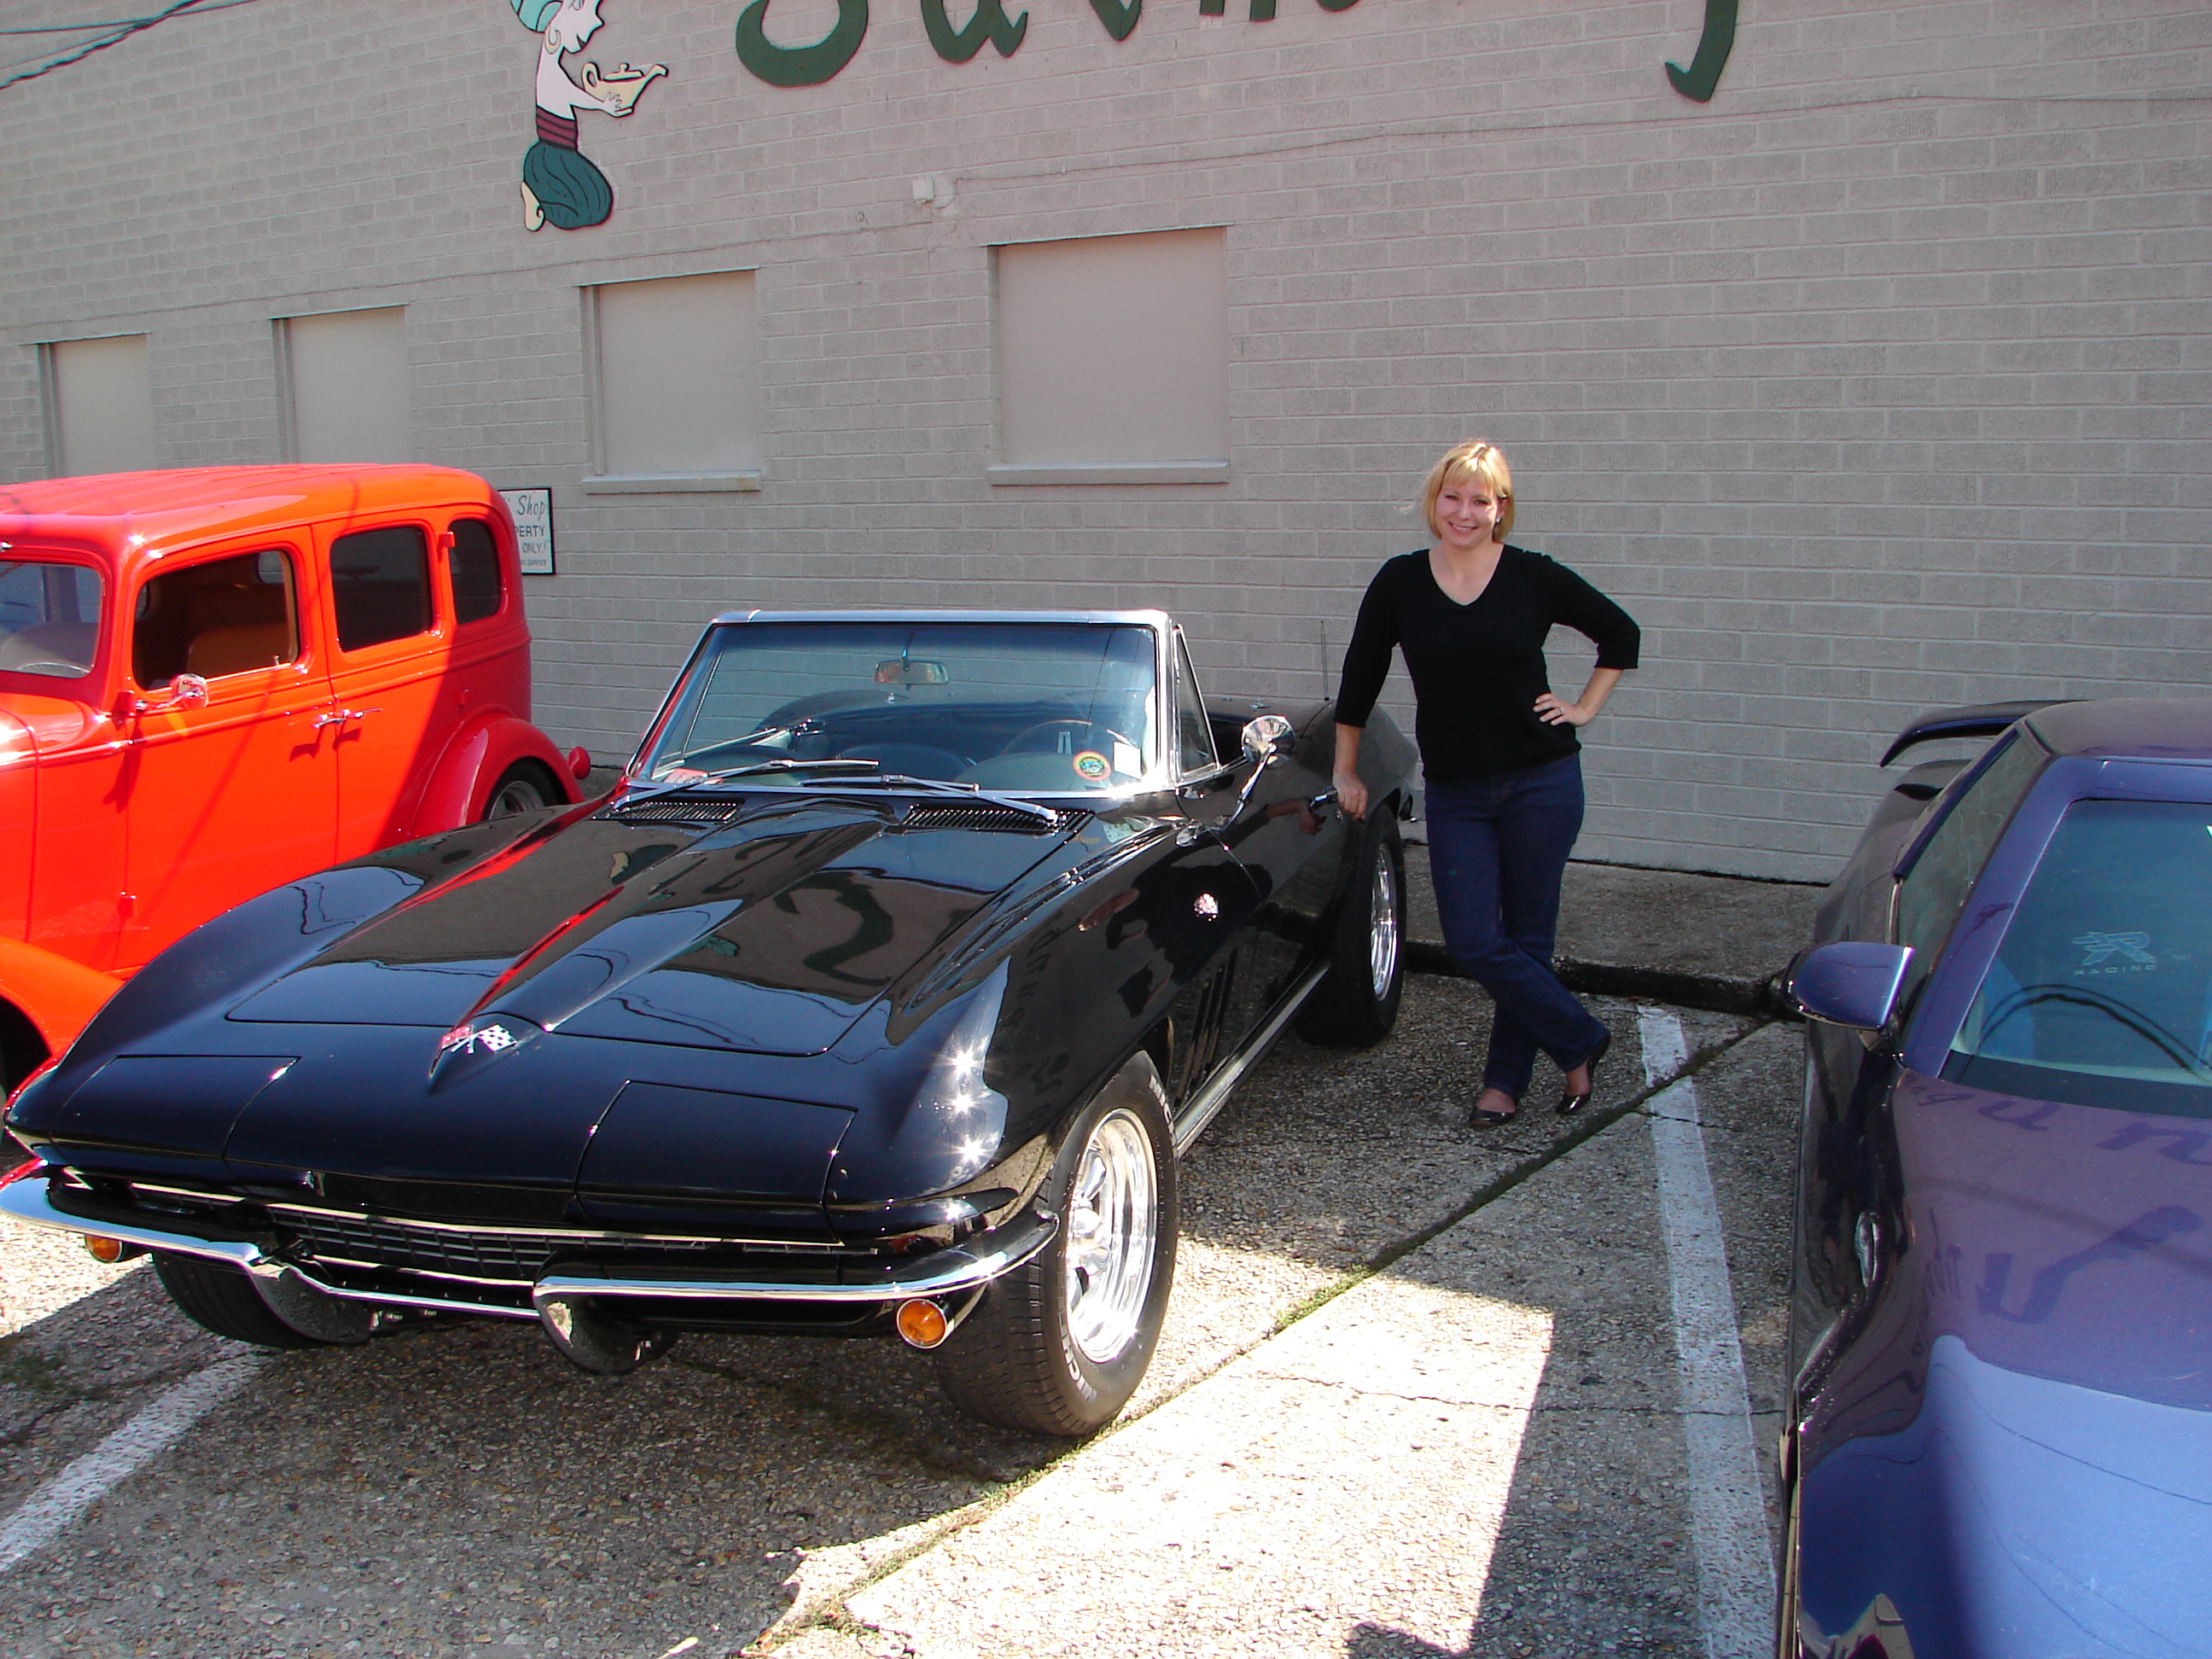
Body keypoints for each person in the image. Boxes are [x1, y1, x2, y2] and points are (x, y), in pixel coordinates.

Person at [1332, 440, 1639, 1126]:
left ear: (1501, 508)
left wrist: (1583, 708)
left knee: (1527, 941)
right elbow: (1360, 675)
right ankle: (1579, 1038)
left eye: (1480, 500)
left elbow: (1621, 635)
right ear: (1434, 501)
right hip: (1459, 791)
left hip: (1543, 782)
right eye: (1453, 497)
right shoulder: (1401, 582)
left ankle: (1503, 1083)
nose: (1464, 512)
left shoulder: (1532, 575)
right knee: (1474, 941)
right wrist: (1344, 767)